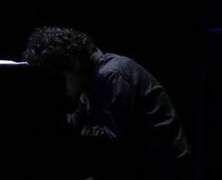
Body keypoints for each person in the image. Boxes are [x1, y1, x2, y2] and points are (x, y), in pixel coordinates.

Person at [21, 25, 193, 180]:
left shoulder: (113, 74)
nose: (58, 86)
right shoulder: (90, 78)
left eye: (59, 77)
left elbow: (111, 142)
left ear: (74, 63)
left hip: (161, 170)